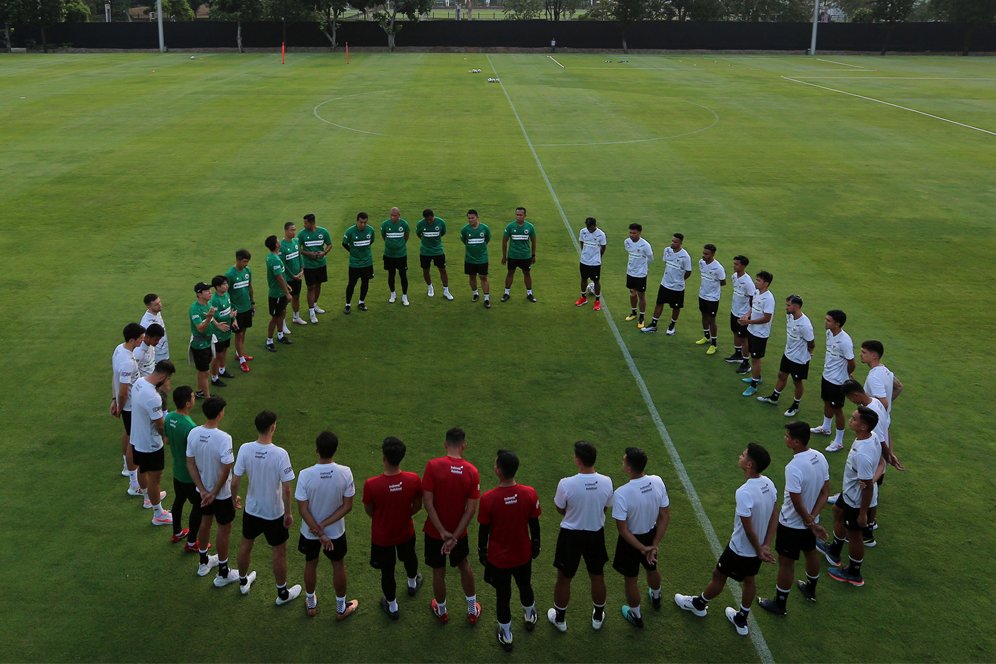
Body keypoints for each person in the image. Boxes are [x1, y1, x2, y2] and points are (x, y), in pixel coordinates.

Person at [674, 443, 777, 637]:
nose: (740, 455)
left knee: (719, 575)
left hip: (739, 550)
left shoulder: (744, 492)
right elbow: (774, 514)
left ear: (749, 465)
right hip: (756, 551)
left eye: (744, 455)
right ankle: (741, 618)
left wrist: (759, 547)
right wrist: (765, 546)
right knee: (749, 580)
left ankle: (698, 604)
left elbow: (748, 529)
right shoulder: (769, 484)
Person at [757, 422, 829, 615]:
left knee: (786, 563)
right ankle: (810, 589)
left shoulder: (794, 467)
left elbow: (797, 502)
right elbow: (825, 492)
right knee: (810, 551)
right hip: (810, 521)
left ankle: (780, 604)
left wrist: (808, 521)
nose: (785, 438)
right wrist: (813, 520)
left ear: (796, 442)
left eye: (787, 436)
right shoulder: (820, 457)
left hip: (791, 524)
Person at [231, 410, 301, 604]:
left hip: (252, 510)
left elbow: (235, 482)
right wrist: (288, 513)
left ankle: (243, 582)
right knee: (278, 552)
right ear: (272, 427)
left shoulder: (245, 448)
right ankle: (282, 594)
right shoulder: (280, 454)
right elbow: (287, 489)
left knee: (246, 544)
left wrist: (233, 498)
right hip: (274, 514)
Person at [478, 450, 541, 652]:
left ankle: (506, 635)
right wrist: (536, 544)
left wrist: (482, 552)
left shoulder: (488, 499)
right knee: (525, 585)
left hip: (499, 560)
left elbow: (483, 531)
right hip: (523, 555)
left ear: (498, 470)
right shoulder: (529, 493)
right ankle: (530, 615)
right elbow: (534, 523)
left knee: (502, 597)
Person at [548, 440, 614, 633]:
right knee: (597, 575)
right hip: (596, 534)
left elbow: (560, 508)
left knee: (564, 578)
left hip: (570, 536)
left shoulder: (566, 483)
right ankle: (598, 616)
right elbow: (605, 506)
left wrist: (574, 513)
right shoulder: (607, 481)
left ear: (578, 460)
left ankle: (560, 619)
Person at [295, 431, 359, 620]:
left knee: (310, 563)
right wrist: (324, 527)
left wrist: (317, 529)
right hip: (336, 533)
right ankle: (341, 608)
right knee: (338, 565)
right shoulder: (345, 472)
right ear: (335, 450)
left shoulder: (305, 475)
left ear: (317, 450)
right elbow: (347, 506)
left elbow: (303, 509)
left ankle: (311, 605)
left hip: (309, 531)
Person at [816, 406, 882, 587]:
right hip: (850, 493)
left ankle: (854, 572)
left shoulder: (863, 454)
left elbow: (867, 487)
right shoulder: (871, 437)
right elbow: (881, 463)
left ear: (863, 426)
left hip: (858, 500)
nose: (850, 420)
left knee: (855, 535)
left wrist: (862, 513)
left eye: (854, 419)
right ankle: (834, 550)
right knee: (837, 510)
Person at [422, 427, 481, 624]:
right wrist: (455, 536)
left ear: (445, 444)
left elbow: (427, 502)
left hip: (434, 532)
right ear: (464, 445)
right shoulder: (472, 471)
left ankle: (441, 611)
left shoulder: (432, 466)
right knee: (464, 565)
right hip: (459, 535)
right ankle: (472, 610)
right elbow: (471, 509)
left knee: (438, 571)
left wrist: (441, 531)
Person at [364, 437, 424, 620]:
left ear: (384, 457)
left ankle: (392, 607)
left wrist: (384, 519)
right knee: (409, 556)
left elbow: (370, 511)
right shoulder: (413, 479)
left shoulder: (371, 484)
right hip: (405, 531)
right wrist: (403, 516)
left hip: (382, 537)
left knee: (387, 571)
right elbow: (418, 505)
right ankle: (413, 584)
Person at [612, 447, 670, 629]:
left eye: (624, 460)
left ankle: (635, 615)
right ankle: (656, 595)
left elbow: (623, 529)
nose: (622, 462)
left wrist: (641, 548)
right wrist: (653, 545)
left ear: (629, 468)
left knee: (630, 580)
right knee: (652, 568)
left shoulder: (622, 493)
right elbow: (665, 516)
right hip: (650, 536)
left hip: (631, 543)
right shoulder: (657, 481)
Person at [842, 379, 904, 548]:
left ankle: (867, 529)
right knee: (872, 493)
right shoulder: (876, 402)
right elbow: (886, 429)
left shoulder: (868, 422)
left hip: (873, 465)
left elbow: (881, 438)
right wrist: (890, 455)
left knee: (868, 491)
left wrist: (887, 458)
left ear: (854, 395)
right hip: (878, 461)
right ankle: (870, 525)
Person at [186, 396, 240, 587]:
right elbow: (226, 469)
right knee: (224, 529)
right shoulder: (224, 438)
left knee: (205, 522)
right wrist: (214, 493)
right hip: (221, 494)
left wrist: (202, 490)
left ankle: (203, 563)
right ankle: (224, 572)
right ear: (220, 414)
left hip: (202, 492)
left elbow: (190, 463)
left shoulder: (193, 433)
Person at [130, 360, 176, 526]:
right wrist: (168, 438)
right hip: (151, 444)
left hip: (137, 438)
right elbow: (160, 425)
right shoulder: (153, 397)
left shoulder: (139, 382)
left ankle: (147, 498)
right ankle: (158, 514)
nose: (169, 382)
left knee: (143, 469)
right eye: (169, 379)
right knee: (155, 479)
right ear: (163, 376)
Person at [757, 295, 815, 417]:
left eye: (788, 305)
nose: (786, 307)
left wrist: (809, 353)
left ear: (797, 306)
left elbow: (811, 343)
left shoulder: (805, 325)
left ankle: (795, 405)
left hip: (799, 359)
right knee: (782, 375)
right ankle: (774, 397)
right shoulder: (789, 315)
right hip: (788, 354)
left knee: (797, 382)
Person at [811, 310, 855, 453]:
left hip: (838, 381)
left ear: (837, 323)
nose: (825, 322)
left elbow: (852, 363)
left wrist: (847, 374)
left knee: (837, 409)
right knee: (826, 401)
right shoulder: (829, 333)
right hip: (827, 376)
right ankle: (826, 427)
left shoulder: (845, 341)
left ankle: (839, 441)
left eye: (829, 320)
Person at [164, 385, 202, 550]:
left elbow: (166, 440)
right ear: (187, 403)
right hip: (188, 476)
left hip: (177, 471)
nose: (194, 398)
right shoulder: (190, 427)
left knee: (179, 500)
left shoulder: (169, 417)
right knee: (199, 505)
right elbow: (195, 456)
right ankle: (192, 542)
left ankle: (177, 532)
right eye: (193, 397)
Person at [112, 322, 145, 489]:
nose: (142, 340)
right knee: (135, 443)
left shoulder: (119, 349)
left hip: (126, 406)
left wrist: (114, 400)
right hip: (131, 407)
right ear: (132, 339)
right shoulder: (128, 362)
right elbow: (124, 391)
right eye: (140, 338)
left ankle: (127, 467)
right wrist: (119, 406)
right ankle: (134, 484)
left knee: (128, 433)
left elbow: (114, 378)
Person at [641, 233, 691, 335]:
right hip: (665, 284)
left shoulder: (685, 256)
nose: (673, 243)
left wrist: (679, 280)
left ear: (681, 243)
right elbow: (666, 262)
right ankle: (654, 324)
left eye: (675, 242)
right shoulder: (667, 250)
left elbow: (688, 271)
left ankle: (672, 325)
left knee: (676, 307)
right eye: (672, 241)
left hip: (677, 287)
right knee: (659, 303)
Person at [739, 271, 775, 397]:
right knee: (752, 356)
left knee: (755, 359)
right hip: (751, 330)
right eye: (756, 279)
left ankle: (754, 385)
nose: (756, 282)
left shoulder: (769, 298)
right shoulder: (756, 292)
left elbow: (766, 318)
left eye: (759, 280)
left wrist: (749, 321)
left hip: (760, 334)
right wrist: (747, 315)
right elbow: (753, 308)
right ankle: (757, 377)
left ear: (766, 283)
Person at [299, 213, 333, 323]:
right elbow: (298, 249)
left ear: (312, 223)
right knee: (310, 287)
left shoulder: (323, 232)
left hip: (321, 264)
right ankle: (311, 312)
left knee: (318, 285)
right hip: (309, 266)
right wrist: (309, 254)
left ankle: (315, 304)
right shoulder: (302, 234)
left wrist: (324, 252)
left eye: (306, 223)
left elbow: (329, 244)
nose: (304, 225)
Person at [224, 249, 254, 373]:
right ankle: (242, 360)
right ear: (238, 260)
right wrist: (230, 310)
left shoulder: (248, 271)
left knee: (244, 331)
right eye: (244, 261)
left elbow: (249, 287)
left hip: (247, 307)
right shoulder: (230, 274)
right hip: (236, 310)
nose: (246, 264)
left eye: (247, 262)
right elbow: (225, 293)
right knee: (239, 334)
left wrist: (252, 303)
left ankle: (239, 353)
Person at [725, 255, 756, 372]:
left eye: (737, 264)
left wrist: (748, 314)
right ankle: (738, 354)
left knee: (744, 338)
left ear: (743, 266)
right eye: (734, 263)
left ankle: (746, 363)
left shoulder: (748, 282)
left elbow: (754, 300)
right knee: (735, 332)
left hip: (743, 314)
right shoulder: (734, 277)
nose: (734, 266)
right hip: (734, 311)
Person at [695, 244, 727, 354]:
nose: (704, 255)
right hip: (702, 295)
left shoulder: (718, 268)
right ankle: (706, 336)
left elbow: (723, 282)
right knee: (703, 315)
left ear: (713, 254)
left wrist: (712, 289)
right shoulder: (701, 262)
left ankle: (714, 344)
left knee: (712, 320)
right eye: (703, 253)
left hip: (712, 298)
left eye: (707, 254)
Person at [264, 235, 294, 352]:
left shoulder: (273, 256)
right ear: (276, 245)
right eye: (277, 240)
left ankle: (280, 335)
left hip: (280, 291)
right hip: (277, 294)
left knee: (282, 312)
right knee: (275, 317)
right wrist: (287, 293)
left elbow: (280, 276)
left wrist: (286, 285)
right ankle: (269, 341)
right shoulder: (274, 259)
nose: (279, 241)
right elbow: (279, 277)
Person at [500, 207, 537, 303]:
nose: (518, 217)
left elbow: (533, 241)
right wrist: (504, 256)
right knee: (510, 273)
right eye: (517, 215)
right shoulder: (510, 227)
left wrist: (533, 255)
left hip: (525, 256)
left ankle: (529, 293)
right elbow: (504, 242)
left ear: (525, 216)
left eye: (520, 215)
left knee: (527, 273)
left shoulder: (530, 227)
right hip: (513, 256)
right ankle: (506, 293)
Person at [342, 212, 376, 314]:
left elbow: (371, 241)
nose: (363, 225)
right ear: (357, 221)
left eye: (365, 222)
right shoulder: (350, 231)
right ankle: (348, 304)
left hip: (367, 262)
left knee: (365, 282)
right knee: (351, 284)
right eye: (361, 222)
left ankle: (361, 302)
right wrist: (353, 252)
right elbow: (344, 244)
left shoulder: (371, 230)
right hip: (354, 263)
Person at [417, 208, 453, 300]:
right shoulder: (420, 224)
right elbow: (419, 234)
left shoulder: (441, 222)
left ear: (433, 216)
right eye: (427, 220)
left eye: (430, 219)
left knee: (443, 270)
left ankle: (446, 290)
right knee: (425, 270)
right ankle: (430, 287)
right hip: (425, 252)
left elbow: (443, 232)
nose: (429, 221)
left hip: (438, 251)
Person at [188, 282, 216, 399]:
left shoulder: (208, 304)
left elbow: (212, 318)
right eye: (206, 291)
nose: (210, 292)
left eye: (210, 290)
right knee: (205, 372)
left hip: (207, 342)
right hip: (199, 345)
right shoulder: (194, 309)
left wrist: (218, 325)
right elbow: (200, 328)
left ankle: (200, 391)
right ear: (199, 294)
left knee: (202, 370)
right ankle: (208, 397)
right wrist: (209, 317)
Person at [623, 223, 653, 327]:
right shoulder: (627, 242)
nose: (631, 235)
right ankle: (634, 312)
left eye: (634, 233)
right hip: (630, 272)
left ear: (639, 233)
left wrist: (644, 268)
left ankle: (642, 316)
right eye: (630, 232)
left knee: (641, 295)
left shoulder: (645, 245)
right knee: (632, 293)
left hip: (640, 274)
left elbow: (650, 258)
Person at [460, 209, 492, 308]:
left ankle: (486, 299)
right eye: (469, 218)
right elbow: (464, 240)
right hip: (470, 259)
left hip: (482, 258)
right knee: (472, 276)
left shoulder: (484, 228)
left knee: (483, 277)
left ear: (477, 217)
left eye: (472, 218)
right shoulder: (465, 229)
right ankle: (475, 293)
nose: (470, 220)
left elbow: (487, 239)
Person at [381, 207, 411, 306]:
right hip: (389, 255)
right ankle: (392, 294)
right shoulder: (385, 224)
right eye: (391, 215)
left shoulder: (404, 224)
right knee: (391, 274)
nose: (393, 217)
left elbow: (406, 236)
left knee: (403, 275)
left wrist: (400, 245)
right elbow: (384, 236)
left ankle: (404, 296)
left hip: (401, 255)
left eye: (395, 215)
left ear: (399, 215)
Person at [280, 221, 308, 327]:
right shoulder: (282, 246)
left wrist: (302, 269)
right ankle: (282, 324)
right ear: (286, 230)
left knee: (296, 297)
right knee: (286, 301)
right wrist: (293, 276)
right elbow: (283, 265)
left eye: (295, 230)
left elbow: (299, 256)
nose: (294, 232)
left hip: (298, 276)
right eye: (292, 230)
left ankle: (296, 317)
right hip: (288, 279)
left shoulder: (296, 242)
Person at [208, 276, 235, 387]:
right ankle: (214, 378)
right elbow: (214, 316)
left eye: (226, 284)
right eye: (224, 284)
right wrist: (229, 316)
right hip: (217, 333)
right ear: (217, 287)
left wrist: (234, 320)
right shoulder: (214, 300)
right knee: (217, 356)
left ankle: (222, 370)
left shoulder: (227, 294)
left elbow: (230, 308)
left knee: (224, 350)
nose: (226, 286)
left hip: (227, 330)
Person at [575, 217, 607, 311]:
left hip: (595, 263)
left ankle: (597, 300)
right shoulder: (583, 231)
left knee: (596, 281)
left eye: (591, 227)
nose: (589, 229)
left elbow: (603, 247)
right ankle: (583, 297)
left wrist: (598, 256)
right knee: (583, 278)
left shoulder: (601, 234)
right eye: (587, 226)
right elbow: (581, 242)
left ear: (594, 225)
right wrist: (584, 252)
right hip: (584, 261)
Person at [140, 293, 170, 362]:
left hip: (164, 354)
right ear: (148, 306)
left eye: (159, 302)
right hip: (156, 359)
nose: (160, 305)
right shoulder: (146, 323)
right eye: (156, 304)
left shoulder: (157, 313)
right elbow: (145, 342)